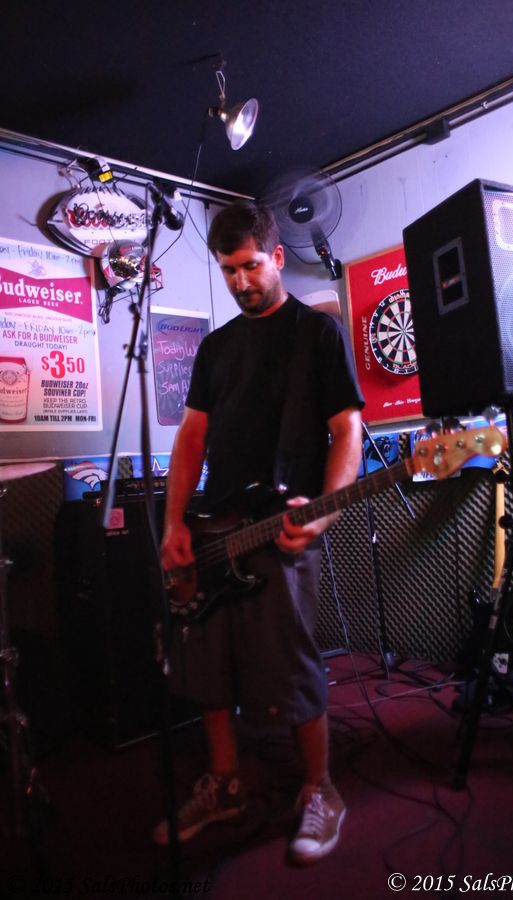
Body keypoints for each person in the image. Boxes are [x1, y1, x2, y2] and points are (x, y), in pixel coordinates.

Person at [153, 201, 364, 864]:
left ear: (275, 256)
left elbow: (347, 430)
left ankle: (319, 788)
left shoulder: (316, 334)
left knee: (291, 665)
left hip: (282, 524)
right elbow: (191, 437)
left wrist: (323, 511)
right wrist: (173, 523)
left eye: (249, 266)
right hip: (213, 528)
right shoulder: (216, 348)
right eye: (228, 270)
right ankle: (225, 787)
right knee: (209, 668)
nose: (240, 281)